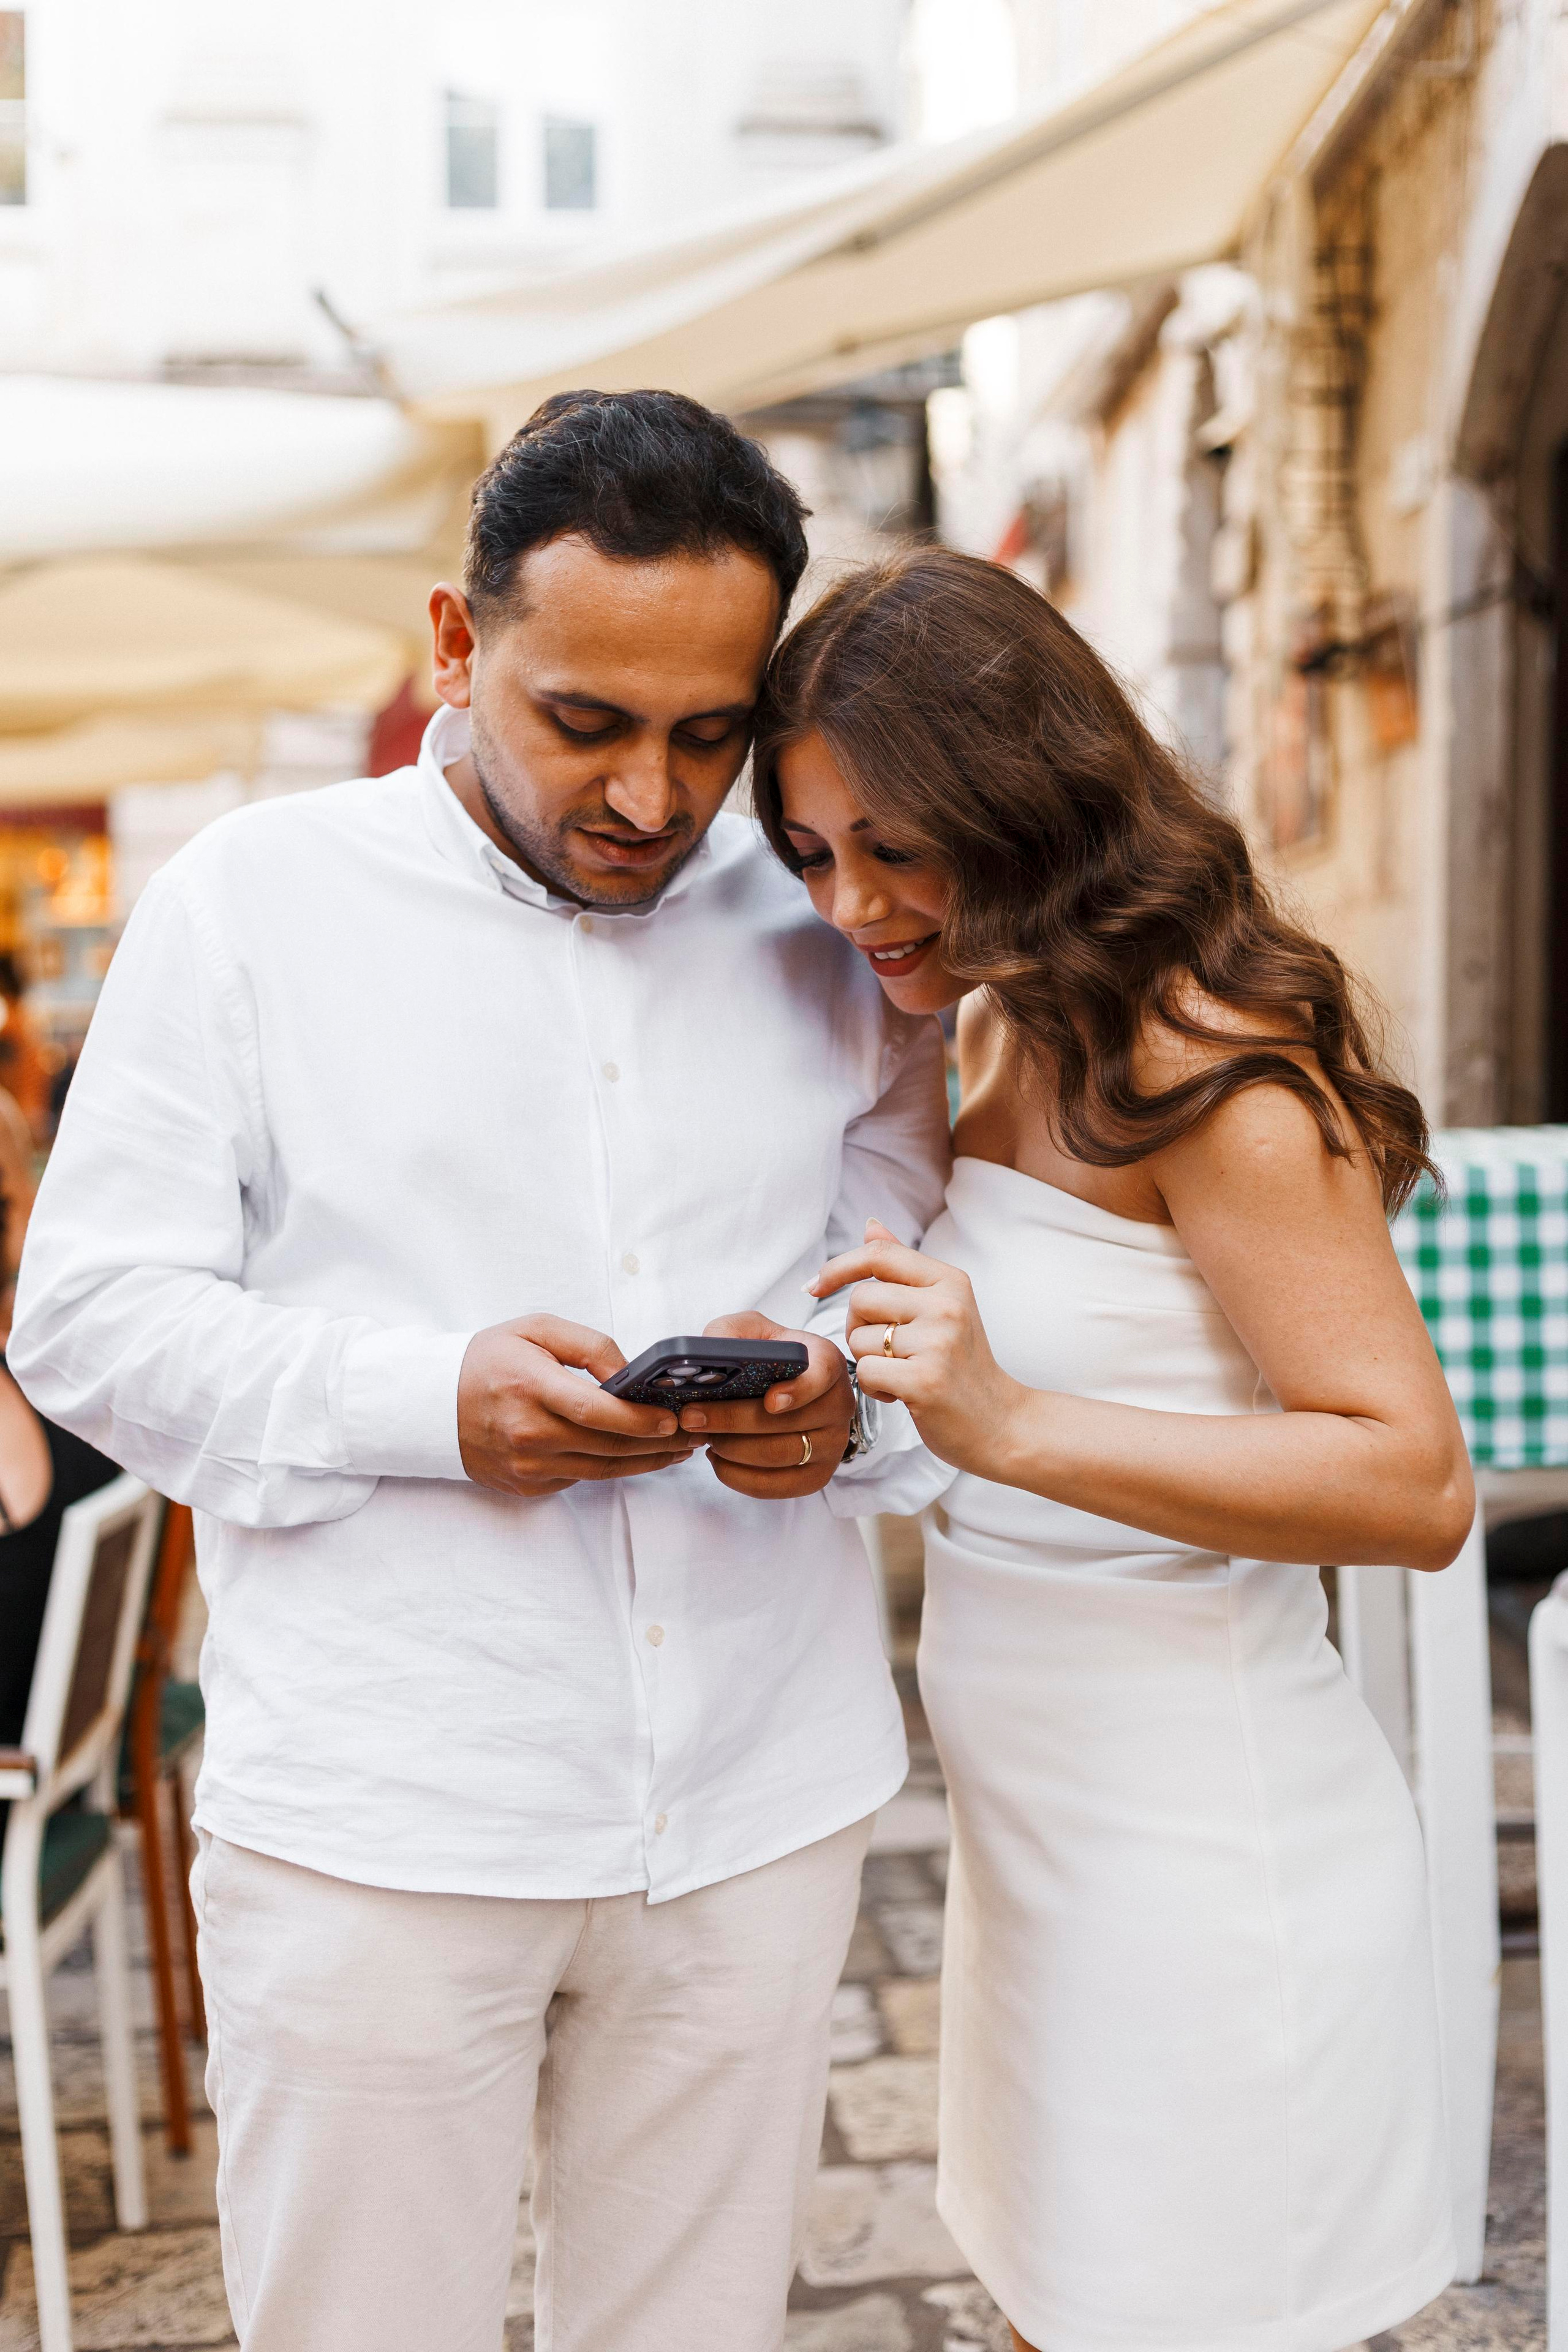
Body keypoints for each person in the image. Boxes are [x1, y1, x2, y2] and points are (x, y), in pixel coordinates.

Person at [10, 393, 952, 2352]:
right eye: (586, 722)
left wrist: (838, 1414)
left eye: (709, 734)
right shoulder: (246, 909)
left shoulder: (825, 907)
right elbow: (86, 1316)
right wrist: (427, 1405)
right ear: (456, 643)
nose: (650, 796)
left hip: (761, 1801)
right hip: (387, 1821)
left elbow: (910, 1266)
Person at [754, 546, 1472, 2352]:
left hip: (1207, 1876)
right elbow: (1032, 1421)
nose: (851, 903)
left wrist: (1006, 1414)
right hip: (1045, 1878)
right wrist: (864, 1418)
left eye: (891, 846)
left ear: (1023, 795)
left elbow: (1411, 1482)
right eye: (814, 854)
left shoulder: (1208, 1059)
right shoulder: (992, 1025)